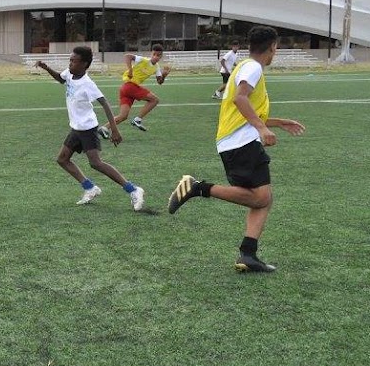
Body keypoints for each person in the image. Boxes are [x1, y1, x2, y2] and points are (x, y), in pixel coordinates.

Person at [167, 26, 305, 273]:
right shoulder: (252, 67)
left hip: (236, 141)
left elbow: (245, 110)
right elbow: (240, 99)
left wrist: (278, 122)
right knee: (261, 198)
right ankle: (197, 187)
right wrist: (262, 130)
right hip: (240, 143)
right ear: (272, 47)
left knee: (262, 199)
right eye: (276, 48)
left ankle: (248, 254)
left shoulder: (244, 66)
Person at [36, 48, 145, 211]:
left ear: (84, 64)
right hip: (76, 127)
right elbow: (61, 78)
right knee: (62, 160)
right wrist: (47, 68)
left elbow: (105, 104)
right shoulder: (70, 73)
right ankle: (89, 188)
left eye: (74, 61)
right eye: (70, 60)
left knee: (96, 163)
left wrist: (114, 129)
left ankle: (134, 189)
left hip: (87, 128)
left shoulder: (88, 84)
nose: (70, 63)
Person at [99, 44, 170, 137]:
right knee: (155, 100)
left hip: (126, 90)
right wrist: (130, 70)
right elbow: (127, 56)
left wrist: (164, 75)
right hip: (129, 86)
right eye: (154, 54)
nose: (156, 57)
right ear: (151, 53)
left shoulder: (156, 67)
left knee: (123, 116)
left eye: (159, 55)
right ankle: (137, 120)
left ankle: (104, 128)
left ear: (161, 56)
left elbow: (159, 82)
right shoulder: (144, 60)